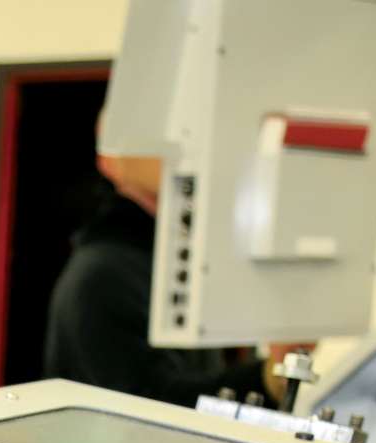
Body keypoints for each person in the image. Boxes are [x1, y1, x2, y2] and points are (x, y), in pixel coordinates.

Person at [43, 152, 293, 406]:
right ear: (108, 161)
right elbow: (146, 413)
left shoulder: (170, 265)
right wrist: (268, 378)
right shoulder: (102, 275)